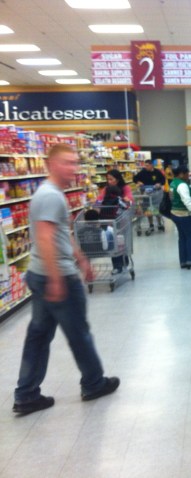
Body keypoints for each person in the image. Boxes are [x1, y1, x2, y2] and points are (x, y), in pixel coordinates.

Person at [13, 144, 119, 416]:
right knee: (78, 333)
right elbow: (45, 238)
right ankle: (94, 383)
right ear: (51, 164)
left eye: (75, 162)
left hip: (41, 273)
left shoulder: (51, 194)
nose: (73, 168)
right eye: (67, 163)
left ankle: (26, 394)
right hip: (55, 275)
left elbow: (61, 233)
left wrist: (81, 258)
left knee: (38, 336)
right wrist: (56, 278)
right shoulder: (50, 196)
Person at [97, 171, 132, 274]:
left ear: (118, 179)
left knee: (121, 242)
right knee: (113, 243)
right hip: (110, 222)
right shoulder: (106, 189)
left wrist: (127, 200)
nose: (109, 181)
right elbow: (99, 199)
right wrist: (96, 205)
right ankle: (117, 266)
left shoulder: (125, 188)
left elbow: (129, 199)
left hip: (122, 220)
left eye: (111, 179)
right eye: (108, 179)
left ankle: (124, 260)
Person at [169, 165, 191, 270]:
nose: (188, 175)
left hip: (175, 213)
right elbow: (187, 201)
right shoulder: (182, 185)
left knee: (182, 238)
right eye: (187, 174)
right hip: (183, 215)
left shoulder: (173, 183)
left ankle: (183, 262)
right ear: (181, 174)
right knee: (190, 238)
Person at [133, 160, 165, 233]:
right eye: (145, 165)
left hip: (156, 194)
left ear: (151, 165)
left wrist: (159, 184)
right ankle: (151, 224)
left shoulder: (157, 172)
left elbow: (163, 180)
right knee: (148, 209)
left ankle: (159, 223)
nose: (145, 167)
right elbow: (135, 178)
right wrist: (138, 182)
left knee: (156, 209)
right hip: (146, 194)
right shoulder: (143, 172)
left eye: (147, 165)